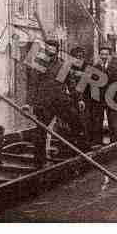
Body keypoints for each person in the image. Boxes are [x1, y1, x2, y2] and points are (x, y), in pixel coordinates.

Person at [27, 39, 88, 167]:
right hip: (44, 103)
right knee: (40, 131)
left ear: (57, 51)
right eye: (48, 49)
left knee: (76, 124)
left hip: (61, 102)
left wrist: (80, 99)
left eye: (52, 49)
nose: (50, 51)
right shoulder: (39, 66)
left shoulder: (63, 66)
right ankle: (39, 162)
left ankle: (77, 152)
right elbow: (32, 85)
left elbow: (71, 85)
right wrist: (29, 103)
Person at [91, 44, 117, 144]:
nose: (104, 57)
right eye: (102, 54)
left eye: (106, 54)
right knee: (97, 123)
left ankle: (115, 143)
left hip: (112, 99)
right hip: (99, 100)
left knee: (114, 123)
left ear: (109, 56)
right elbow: (92, 85)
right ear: (99, 55)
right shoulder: (95, 68)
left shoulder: (116, 68)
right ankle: (97, 143)